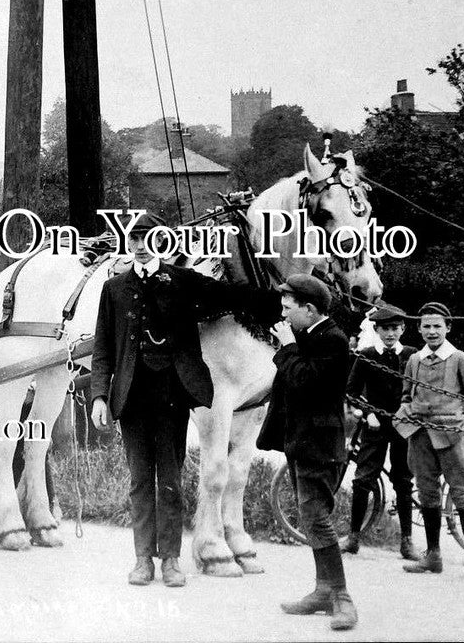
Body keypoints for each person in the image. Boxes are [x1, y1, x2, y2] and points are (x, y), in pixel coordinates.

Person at [91, 212, 265, 588]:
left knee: (169, 479)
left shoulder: (183, 281)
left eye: (147, 237)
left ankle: (170, 560)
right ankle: (142, 561)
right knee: (140, 481)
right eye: (133, 238)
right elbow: (103, 347)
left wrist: (282, 296)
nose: (139, 245)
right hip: (132, 399)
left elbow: (232, 295)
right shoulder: (115, 288)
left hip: (171, 397)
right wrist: (99, 396)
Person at [257, 274, 356, 631]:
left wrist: (286, 348)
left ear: (309, 309)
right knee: (309, 515)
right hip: (302, 441)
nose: (283, 316)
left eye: (288, 308)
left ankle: (342, 597)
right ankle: (323, 590)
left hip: (320, 444)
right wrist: (290, 346)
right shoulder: (309, 336)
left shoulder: (332, 340)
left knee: (317, 518)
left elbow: (304, 383)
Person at [394, 302, 464, 580]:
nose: (432, 331)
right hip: (421, 437)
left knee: (462, 493)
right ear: (419, 328)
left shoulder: (461, 359)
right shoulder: (414, 360)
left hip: (452, 437)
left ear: (448, 328)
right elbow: (406, 394)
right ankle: (433, 555)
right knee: (427, 492)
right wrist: (407, 412)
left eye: (438, 326)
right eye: (427, 326)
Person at [342, 303, 416, 559]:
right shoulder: (366, 355)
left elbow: (418, 390)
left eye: (395, 328)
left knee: (403, 481)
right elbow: (351, 391)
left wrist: (409, 413)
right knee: (363, 479)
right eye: (385, 328)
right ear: (377, 329)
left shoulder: (411, 355)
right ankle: (353, 537)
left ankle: (407, 541)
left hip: (403, 426)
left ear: (403, 328)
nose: (390, 333)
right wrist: (369, 413)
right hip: (374, 426)